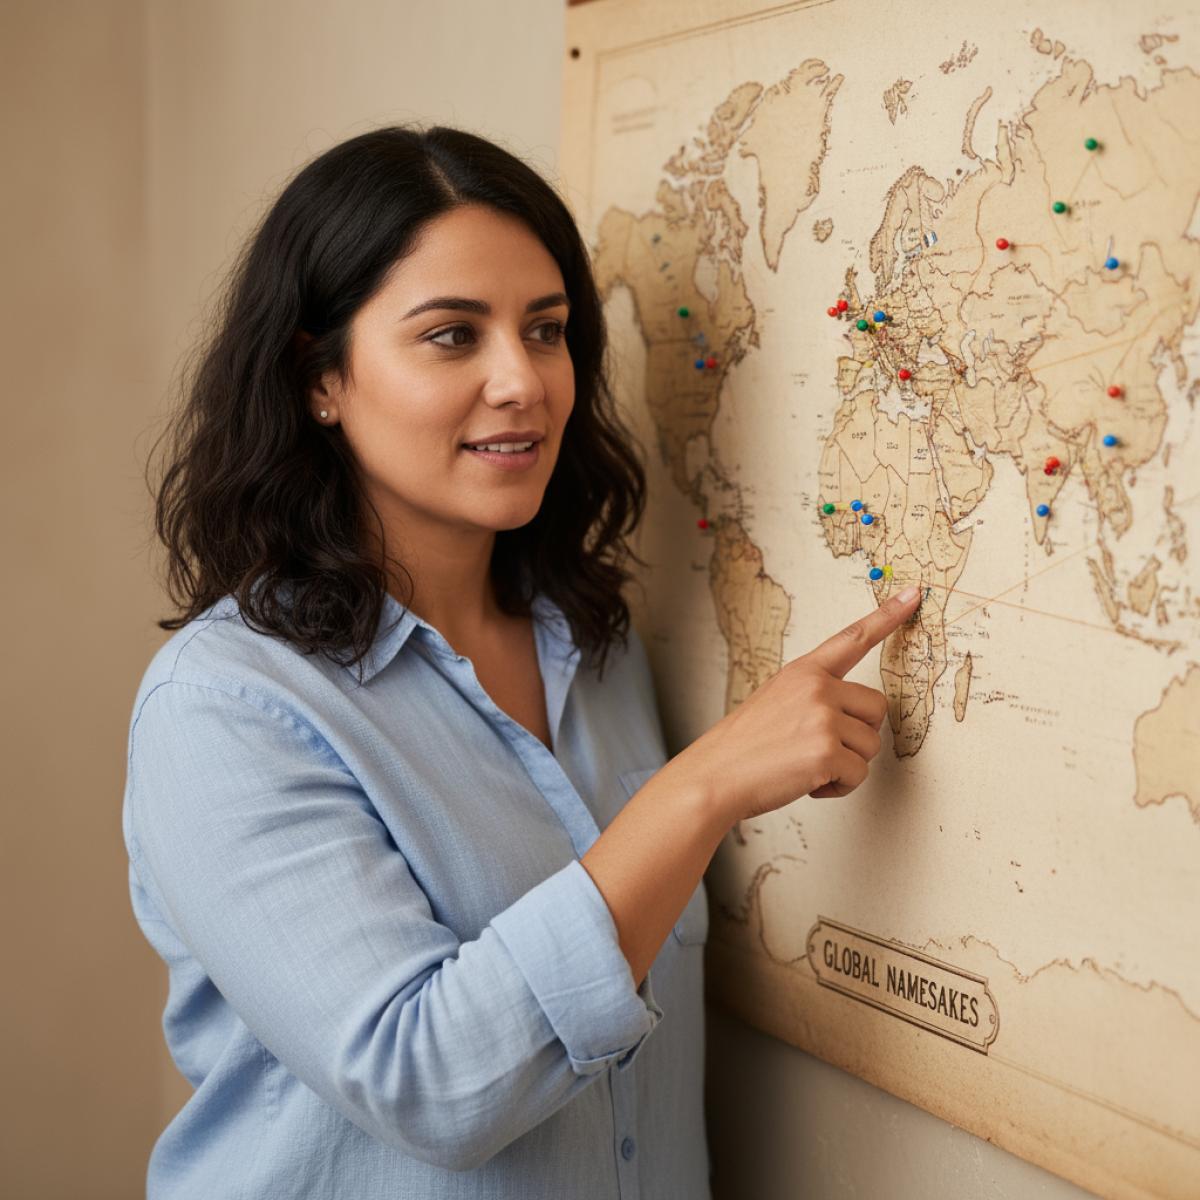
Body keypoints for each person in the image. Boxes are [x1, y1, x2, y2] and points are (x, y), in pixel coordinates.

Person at [123, 123, 921, 1200]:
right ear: (319, 378)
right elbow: (427, 1081)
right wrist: (705, 786)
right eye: (453, 335)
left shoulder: (597, 648)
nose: (523, 381)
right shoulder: (225, 709)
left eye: (545, 330)